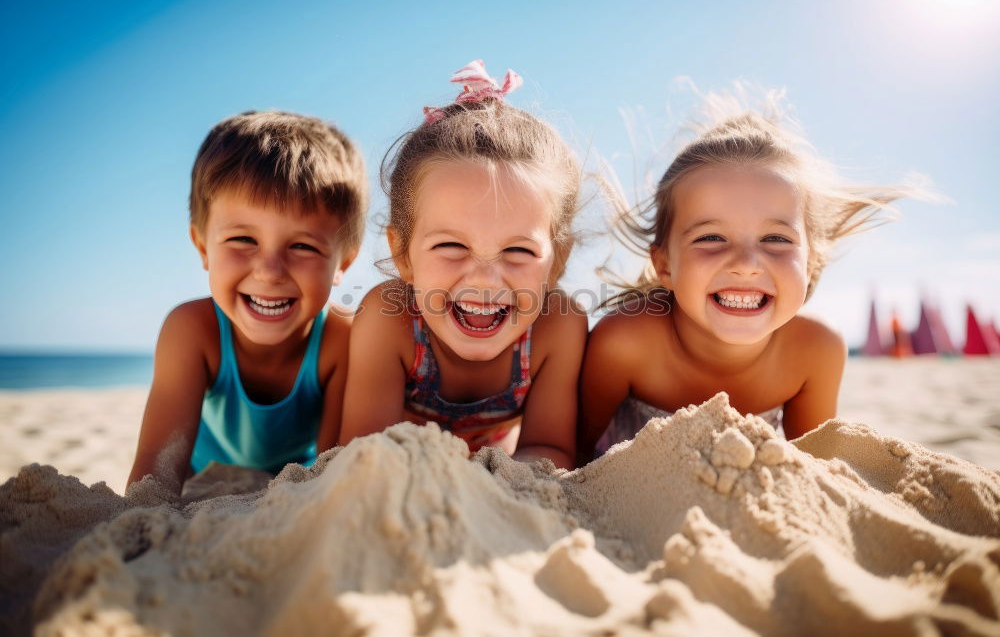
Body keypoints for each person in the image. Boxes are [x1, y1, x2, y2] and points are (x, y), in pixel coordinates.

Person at [579, 93, 912, 460]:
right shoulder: (624, 343)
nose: (747, 263)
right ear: (665, 266)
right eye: (711, 238)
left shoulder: (815, 350)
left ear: (811, 262)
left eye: (776, 239)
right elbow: (571, 459)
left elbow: (815, 472)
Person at [334, 60, 587, 469]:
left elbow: (552, 451)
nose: (485, 278)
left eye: (518, 251)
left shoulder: (558, 328)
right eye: (452, 246)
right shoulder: (388, 320)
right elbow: (362, 455)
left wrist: (497, 488)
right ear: (403, 255)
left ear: (557, 260)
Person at [127, 110, 368, 494]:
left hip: (294, 484)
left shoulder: (343, 340)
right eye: (243, 240)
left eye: (303, 246)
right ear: (203, 245)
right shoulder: (192, 331)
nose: (270, 271)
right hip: (202, 481)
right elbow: (154, 478)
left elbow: (333, 474)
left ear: (344, 263)